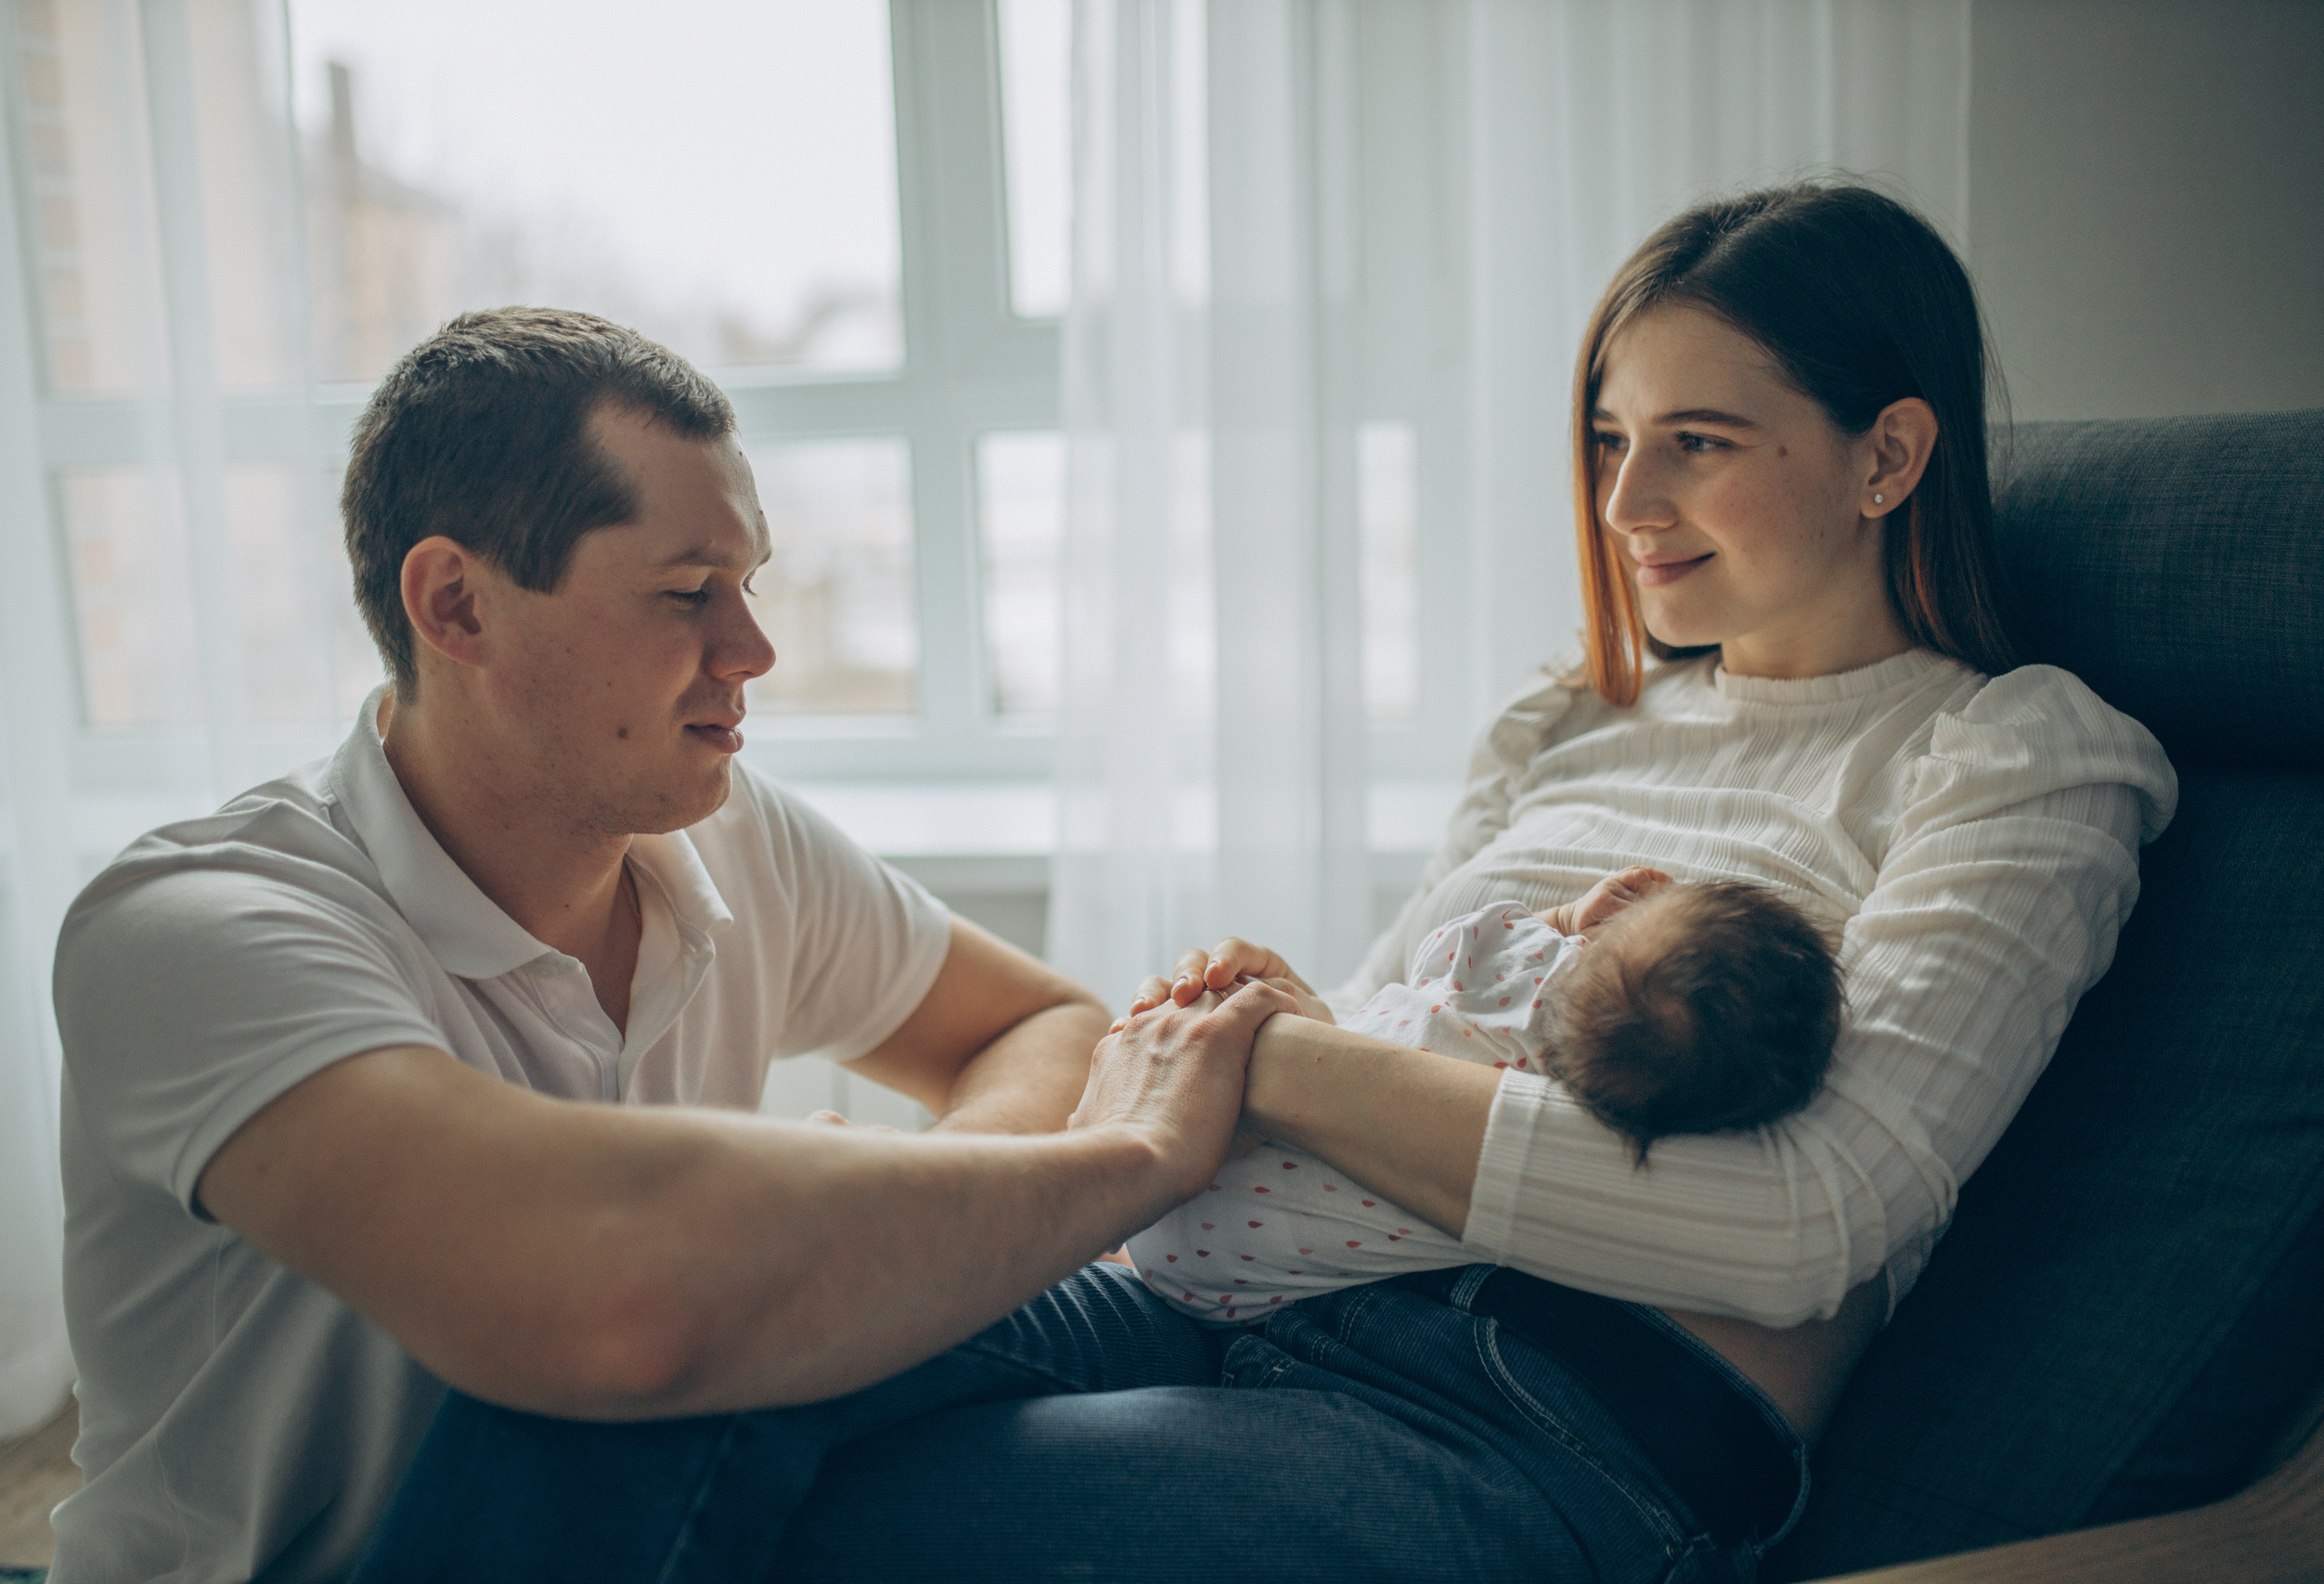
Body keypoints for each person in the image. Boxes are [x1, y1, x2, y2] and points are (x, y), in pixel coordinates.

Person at [362, 178, 2169, 1583]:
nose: (1625, 503)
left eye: (1698, 440)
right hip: (1217, 1278)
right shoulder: (1566, 729)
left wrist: (1274, 1059)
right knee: (597, 1372)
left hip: (1529, 1406)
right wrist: (1291, 1050)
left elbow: (1795, 1226)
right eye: (1612, 437)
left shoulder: (2012, 757)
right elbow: (1379, 1038)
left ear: (1886, 452)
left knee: (839, 1517)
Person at [45, 307, 1297, 1584]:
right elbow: (611, 1300)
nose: (753, 650)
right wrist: (1136, 1154)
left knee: (1204, 1428)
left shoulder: (724, 834)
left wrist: (903, 1206)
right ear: (457, 603)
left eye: (747, 586)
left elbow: (1036, 1022)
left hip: (653, 1527)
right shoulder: (196, 927)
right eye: (689, 593)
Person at [1129, 866, 1844, 1324]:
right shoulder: (1566, 1108)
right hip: (1206, 1274)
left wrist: (1563, 919)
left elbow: (1443, 948)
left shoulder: (1528, 964)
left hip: (1170, 1156)